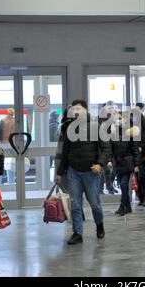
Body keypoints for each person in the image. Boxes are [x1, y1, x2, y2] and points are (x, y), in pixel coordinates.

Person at [56, 100, 111, 245]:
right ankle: (77, 233)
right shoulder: (69, 128)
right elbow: (65, 152)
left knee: (94, 204)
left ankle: (99, 225)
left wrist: (100, 164)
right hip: (74, 172)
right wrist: (59, 173)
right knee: (75, 204)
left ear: (85, 111)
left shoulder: (96, 126)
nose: (76, 111)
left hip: (91, 172)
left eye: (79, 109)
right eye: (74, 109)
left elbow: (106, 149)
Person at [109, 111, 140, 216]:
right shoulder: (114, 135)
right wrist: (110, 160)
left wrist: (136, 164)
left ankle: (123, 207)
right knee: (123, 186)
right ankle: (128, 207)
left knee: (123, 185)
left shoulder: (130, 134)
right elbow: (111, 149)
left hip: (127, 163)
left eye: (120, 119)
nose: (119, 121)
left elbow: (135, 150)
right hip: (118, 163)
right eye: (118, 119)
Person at [99, 101, 118, 195]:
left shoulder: (111, 121)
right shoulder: (103, 122)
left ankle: (109, 187)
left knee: (108, 171)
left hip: (110, 148)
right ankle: (103, 189)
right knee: (106, 170)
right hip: (104, 149)